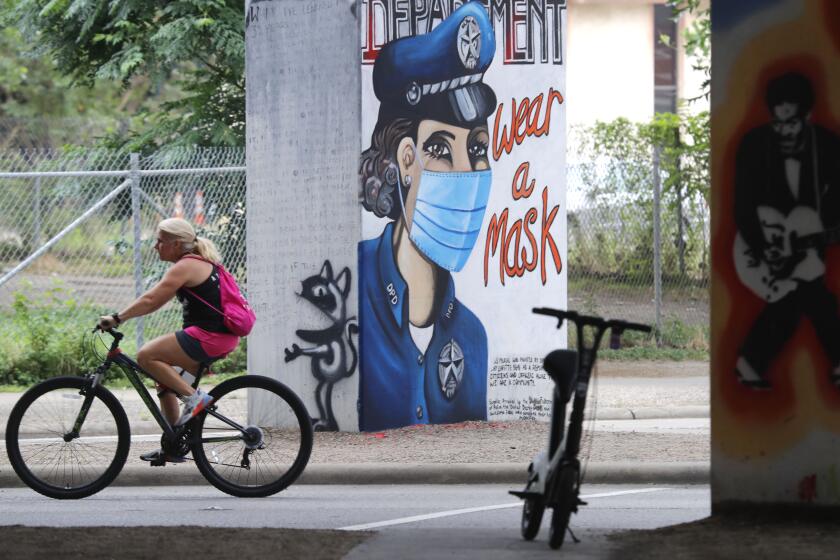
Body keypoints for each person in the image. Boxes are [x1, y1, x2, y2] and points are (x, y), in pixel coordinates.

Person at [358, 1, 495, 430]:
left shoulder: (470, 335)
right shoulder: (352, 292)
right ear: (404, 159)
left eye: (477, 150)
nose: (468, 172)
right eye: (439, 148)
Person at [97, 218, 240, 461]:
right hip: (216, 337)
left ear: (175, 244)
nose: (155, 246)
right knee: (163, 379)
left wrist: (117, 318)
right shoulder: (195, 263)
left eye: (160, 241)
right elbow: (157, 301)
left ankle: (196, 400)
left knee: (146, 355)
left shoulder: (187, 266)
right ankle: (173, 445)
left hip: (210, 337)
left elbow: (151, 300)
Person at [733, 71, 840, 389]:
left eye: (791, 123)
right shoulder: (754, 145)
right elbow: (743, 206)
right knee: (812, 297)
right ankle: (750, 362)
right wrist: (764, 249)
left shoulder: (829, 148)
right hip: (759, 246)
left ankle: (749, 363)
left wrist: (813, 236)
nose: (784, 132)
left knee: (804, 296)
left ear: (807, 116)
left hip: (808, 245)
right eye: (777, 123)